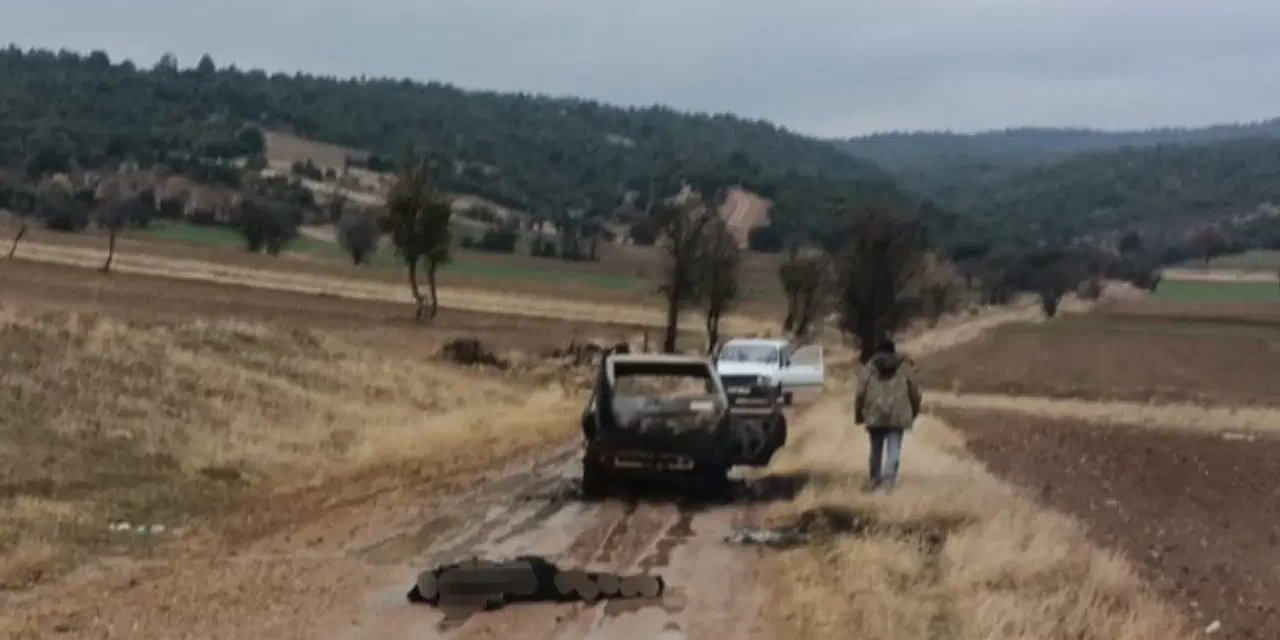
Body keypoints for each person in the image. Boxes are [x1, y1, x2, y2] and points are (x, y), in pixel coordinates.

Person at [854, 337, 922, 491]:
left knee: (875, 450)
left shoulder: (870, 366)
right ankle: (889, 483)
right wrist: (914, 411)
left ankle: (875, 481)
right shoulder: (904, 367)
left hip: (874, 413)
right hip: (898, 414)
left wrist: (859, 414)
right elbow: (915, 391)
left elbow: (860, 392)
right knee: (894, 449)